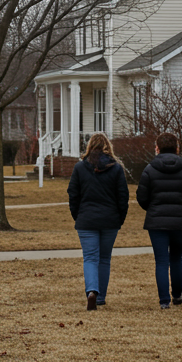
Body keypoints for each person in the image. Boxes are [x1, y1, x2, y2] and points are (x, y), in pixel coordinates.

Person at [137, 132, 182, 309]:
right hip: (180, 221)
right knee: (176, 258)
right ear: (177, 148)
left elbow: (142, 197)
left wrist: (153, 209)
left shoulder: (149, 170)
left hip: (156, 222)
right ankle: (177, 294)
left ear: (157, 148)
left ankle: (164, 300)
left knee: (161, 260)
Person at [66, 132, 128, 311]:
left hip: (86, 220)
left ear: (89, 146)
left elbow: (73, 195)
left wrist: (77, 216)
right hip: (110, 220)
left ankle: (92, 290)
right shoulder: (116, 168)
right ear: (108, 146)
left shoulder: (79, 167)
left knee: (90, 258)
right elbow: (123, 197)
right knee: (104, 259)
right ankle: (100, 298)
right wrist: (119, 219)